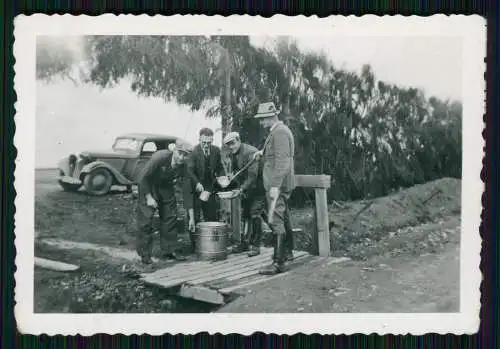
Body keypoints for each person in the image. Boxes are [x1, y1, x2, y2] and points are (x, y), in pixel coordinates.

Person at [254, 102, 296, 275]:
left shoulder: (279, 133)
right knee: (283, 216)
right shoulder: (278, 131)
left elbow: (282, 162)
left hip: (276, 185)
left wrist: (275, 186)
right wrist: (262, 152)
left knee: (275, 220)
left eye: (263, 119)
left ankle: (278, 263)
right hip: (277, 184)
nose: (261, 123)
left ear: (272, 117)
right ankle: (288, 252)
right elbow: (276, 154)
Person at [135, 138, 193, 265]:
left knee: (170, 216)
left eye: (185, 155)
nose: (182, 157)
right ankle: (145, 255)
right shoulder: (159, 158)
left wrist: (190, 211)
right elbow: (142, 178)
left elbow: (187, 189)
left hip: (165, 186)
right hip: (148, 185)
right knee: (146, 220)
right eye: (180, 153)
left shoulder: (184, 166)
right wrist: (149, 197)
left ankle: (169, 249)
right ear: (174, 150)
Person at [222, 131, 262, 254]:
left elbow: (252, 176)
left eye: (233, 143)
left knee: (255, 214)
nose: (231, 147)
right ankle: (245, 243)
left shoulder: (250, 152)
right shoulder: (234, 154)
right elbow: (237, 173)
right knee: (245, 214)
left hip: (259, 187)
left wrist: (241, 189)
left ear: (239, 140)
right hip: (246, 188)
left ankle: (256, 245)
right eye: (228, 145)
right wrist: (232, 182)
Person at [185, 127, 225, 226]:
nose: (206, 145)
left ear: (212, 140)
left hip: (210, 187)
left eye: (209, 142)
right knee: (195, 217)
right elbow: (189, 170)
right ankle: (194, 240)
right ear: (199, 140)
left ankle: (208, 240)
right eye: (204, 142)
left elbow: (219, 167)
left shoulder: (216, 150)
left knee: (211, 216)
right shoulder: (194, 152)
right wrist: (197, 182)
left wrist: (222, 177)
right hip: (195, 188)